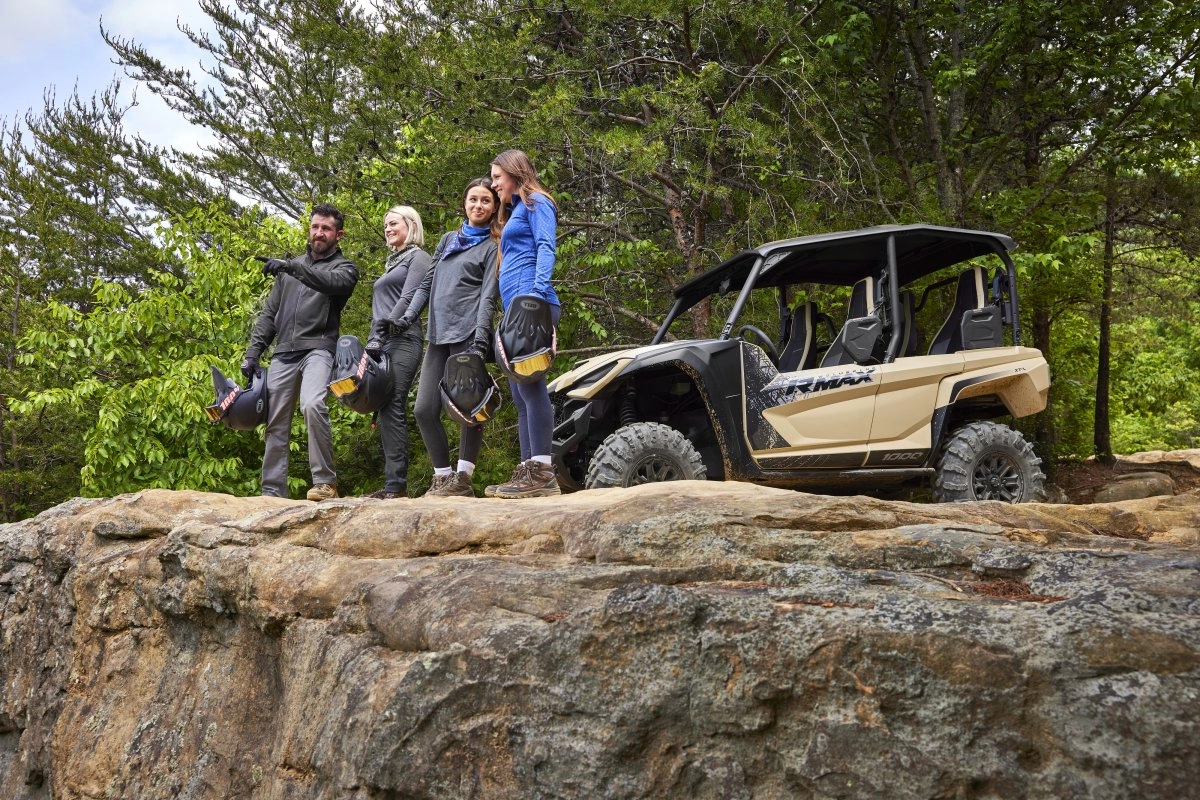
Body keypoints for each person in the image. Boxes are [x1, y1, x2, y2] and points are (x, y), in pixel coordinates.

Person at [242, 203, 359, 501]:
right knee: (275, 419)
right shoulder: (289, 269)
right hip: (284, 352)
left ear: (339, 235)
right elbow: (269, 314)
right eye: (315, 227)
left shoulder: (345, 269)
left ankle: (325, 483)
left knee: (313, 404)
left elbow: (329, 283)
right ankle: (272, 491)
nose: (319, 233)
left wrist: (290, 267)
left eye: (326, 228)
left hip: (318, 349)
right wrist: (253, 353)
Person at [392, 178, 501, 497]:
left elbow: (488, 296)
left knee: (470, 407)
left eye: (486, 200)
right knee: (423, 409)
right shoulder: (448, 240)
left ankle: (463, 479)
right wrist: (407, 317)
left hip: (468, 334)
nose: (478, 205)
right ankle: (442, 477)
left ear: (494, 207)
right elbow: (426, 284)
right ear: (464, 203)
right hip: (438, 334)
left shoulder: (492, 246)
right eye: (473, 199)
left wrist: (481, 339)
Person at [487, 149, 562, 499]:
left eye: (496, 177)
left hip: (533, 305)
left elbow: (546, 246)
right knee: (520, 396)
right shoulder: (516, 209)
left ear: (514, 172)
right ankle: (527, 469)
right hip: (517, 311)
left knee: (531, 387)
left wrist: (536, 295)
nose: (493, 184)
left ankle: (543, 471)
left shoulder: (537, 202)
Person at [361, 206, 431, 499]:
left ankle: (396, 486)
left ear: (411, 224)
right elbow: (379, 310)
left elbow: (408, 298)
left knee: (392, 404)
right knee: (381, 407)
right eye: (385, 225)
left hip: (404, 338)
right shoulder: (392, 263)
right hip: (380, 343)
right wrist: (372, 343)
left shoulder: (419, 257)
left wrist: (382, 333)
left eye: (393, 223)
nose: (387, 229)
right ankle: (393, 484)